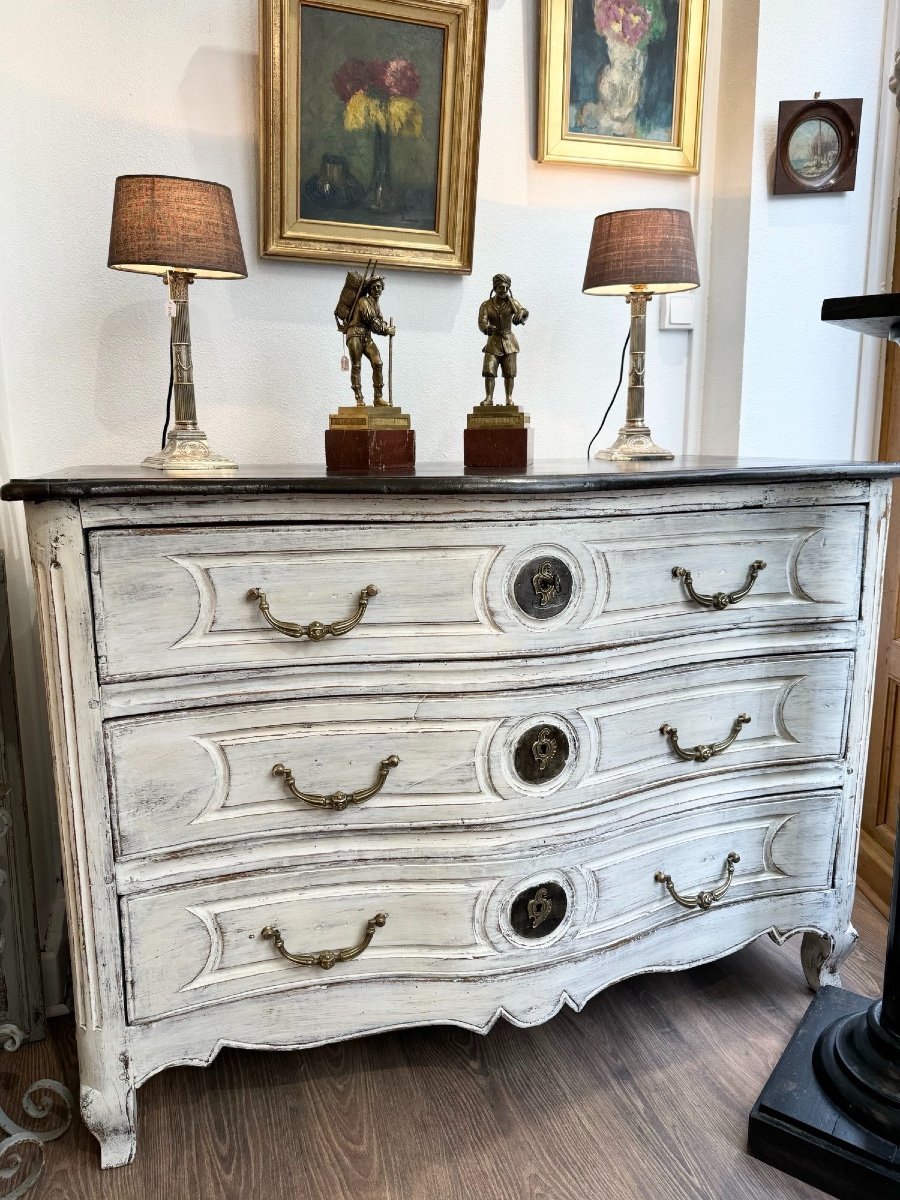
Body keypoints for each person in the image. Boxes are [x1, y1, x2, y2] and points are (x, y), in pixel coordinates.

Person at [478, 274, 529, 405]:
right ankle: (489, 398)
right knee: (489, 371)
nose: (504, 290)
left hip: (509, 342)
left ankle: (509, 398)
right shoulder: (486, 305)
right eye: (501, 287)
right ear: (495, 288)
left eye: (506, 288)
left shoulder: (513, 302)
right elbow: (482, 322)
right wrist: (485, 328)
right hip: (493, 342)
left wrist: (521, 313)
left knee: (509, 373)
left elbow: (524, 311)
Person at [346, 276, 395, 406]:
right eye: (374, 287)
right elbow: (372, 321)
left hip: (367, 337)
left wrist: (385, 326)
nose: (377, 289)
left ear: (382, 288)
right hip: (355, 335)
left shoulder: (376, 305)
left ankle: (378, 398)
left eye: (379, 286)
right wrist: (386, 330)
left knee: (377, 363)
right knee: (356, 366)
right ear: (369, 289)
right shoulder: (363, 301)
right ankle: (359, 397)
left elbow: (380, 320)